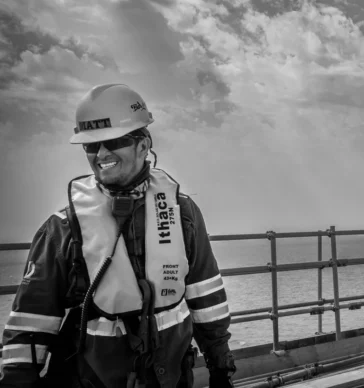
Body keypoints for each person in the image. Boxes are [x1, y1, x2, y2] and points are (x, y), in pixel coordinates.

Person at [0, 83, 236, 388]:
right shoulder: (62, 229)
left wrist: (221, 368)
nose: (101, 154)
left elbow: (206, 297)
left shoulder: (182, 213)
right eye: (90, 146)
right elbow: (30, 324)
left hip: (171, 378)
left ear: (143, 145)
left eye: (113, 141)